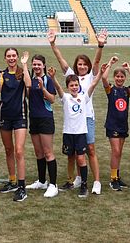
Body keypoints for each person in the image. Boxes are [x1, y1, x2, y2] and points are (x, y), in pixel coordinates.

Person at [48, 28, 107, 194]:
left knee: (90, 149)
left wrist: (100, 45)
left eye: (84, 64)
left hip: (87, 118)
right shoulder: (71, 77)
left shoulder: (91, 76)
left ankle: (96, 181)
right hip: (73, 122)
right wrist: (53, 44)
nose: (82, 67)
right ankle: (78, 178)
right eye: (79, 64)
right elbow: (61, 61)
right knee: (73, 153)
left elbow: (96, 62)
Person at [48, 65, 102, 198]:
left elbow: (94, 84)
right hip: (68, 133)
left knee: (81, 158)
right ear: (68, 87)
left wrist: (101, 72)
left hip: (80, 134)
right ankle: (70, 180)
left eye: (76, 85)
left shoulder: (84, 98)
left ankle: (84, 185)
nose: (74, 87)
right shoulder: (65, 97)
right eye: (71, 85)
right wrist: (53, 78)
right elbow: (58, 89)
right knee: (70, 157)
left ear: (79, 85)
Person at [0, 49, 32, 202]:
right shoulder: (2, 74)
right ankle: (12, 181)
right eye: (8, 56)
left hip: (20, 116)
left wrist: (25, 65)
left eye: (13, 56)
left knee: (19, 151)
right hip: (4, 116)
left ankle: (22, 187)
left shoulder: (22, 73)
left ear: (17, 57)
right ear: (5, 58)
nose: (11, 58)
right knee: (8, 149)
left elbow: (28, 85)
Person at [25, 54, 59, 198]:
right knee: (38, 152)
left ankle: (53, 185)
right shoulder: (31, 80)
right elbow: (28, 93)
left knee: (48, 152)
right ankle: (42, 181)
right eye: (34, 64)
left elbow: (52, 100)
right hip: (34, 119)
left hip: (45, 119)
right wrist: (25, 65)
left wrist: (43, 88)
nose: (37, 67)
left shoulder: (48, 80)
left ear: (44, 65)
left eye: (39, 64)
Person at [102, 56, 130, 191]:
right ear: (114, 77)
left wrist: (128, 69)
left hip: (123, 125)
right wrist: (110, 63)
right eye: (117, 76)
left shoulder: (125, 91)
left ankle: (116, 176)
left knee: (119, 152)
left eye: (122, 77)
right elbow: (104, 79)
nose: (120, 79)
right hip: (112, 125)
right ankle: (113, 179)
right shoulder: (111, 90)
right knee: (116, 151)